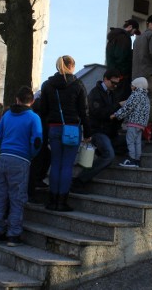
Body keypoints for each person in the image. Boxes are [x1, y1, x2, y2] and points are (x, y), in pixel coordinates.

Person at [0, 86, 42, 246]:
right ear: (32, 101)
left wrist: (4, 149)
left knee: (1, 196)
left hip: (4, 157)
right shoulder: (34, 118)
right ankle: (13, 234)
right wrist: (30, 154)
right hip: (21, 159)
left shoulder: (6, 116)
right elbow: (37, 141)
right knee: (17, 198)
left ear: (17, 100)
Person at [40, 55, 92, 212]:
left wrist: (44, 130)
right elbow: (84, 111)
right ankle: (62, 201)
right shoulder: (77, 84)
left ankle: (52, 199)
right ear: (71, 66)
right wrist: (88, 131)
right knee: (67, 165)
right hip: (72, 129)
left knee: (55, 164)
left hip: (54, 128)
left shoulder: (48, 85)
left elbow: (43, 110)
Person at [71, 68, 125, 193]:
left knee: (133, 142)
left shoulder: (112, 93)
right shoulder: (95, 93)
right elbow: (98, 113)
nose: (115, 86)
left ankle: (103, 152)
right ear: (105, 79)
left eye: (117, 84)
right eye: (113, 83)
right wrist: (118, 106)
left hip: (110, 133)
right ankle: (80, 180)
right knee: (109, 155)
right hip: (98, 132)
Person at [132, 13, 152, 139]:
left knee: (139, 104)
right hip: (150, 75)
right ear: (150, 24)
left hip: (136, 77)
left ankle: (137, 131)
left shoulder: (137, 39)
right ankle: (149, 130)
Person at [112, 77, 150, 168]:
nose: (131, 87)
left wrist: (116, 115)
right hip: (141, 125)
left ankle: (131, 160)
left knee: (130, 142)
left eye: (133, 85)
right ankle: (137, 160)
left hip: (133, 123)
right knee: (137, 142)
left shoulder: (135, 95)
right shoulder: (146, 97)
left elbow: (128, 108)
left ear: (137, 86)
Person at [106, 19, 140, 102]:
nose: (133, 35)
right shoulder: (124, 38)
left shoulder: (114, 37)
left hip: (113, 74)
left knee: (113, 101)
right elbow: (121, 57)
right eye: (134, 32)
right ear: (130, 27)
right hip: (121, 77)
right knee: (121, 102)